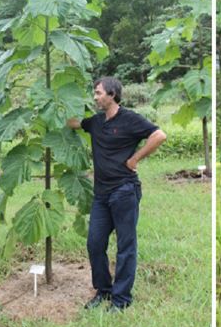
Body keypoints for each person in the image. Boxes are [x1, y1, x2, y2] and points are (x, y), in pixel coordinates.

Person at [68, 76, 167, 311]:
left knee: (125, 246)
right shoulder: (96, 122)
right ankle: (103, 291)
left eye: (99, 93)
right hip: (101, 195)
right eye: (94, 93)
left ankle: (121, 299)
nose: (95, 97)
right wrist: (57, 105)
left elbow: (159, 135)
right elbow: (73, 123)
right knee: (95, 243)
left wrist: (134, 159)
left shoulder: (129, 119)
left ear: (112, 95)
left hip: (124, 191)